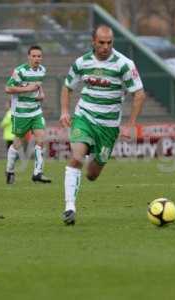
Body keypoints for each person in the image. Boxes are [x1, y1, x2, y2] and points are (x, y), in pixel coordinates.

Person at [59, 24, 146, 225]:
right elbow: (67, 87)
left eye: (109, 43)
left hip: (108, 127)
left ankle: (92, 161)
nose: (105, 47)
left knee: (92, 175)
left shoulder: (124, 64)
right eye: (101, 43)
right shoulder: (81, 62)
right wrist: (65, 111)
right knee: (77, 157)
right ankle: (69, 207)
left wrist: (131, 124)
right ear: (93, 41)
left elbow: (139, 94)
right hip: (84, 117)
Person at [4, 45, 51, 184]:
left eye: (39, 56)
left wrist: (41, 93)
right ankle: (10, 170)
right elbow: (8, 88)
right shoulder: (20, 71)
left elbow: (38, 84)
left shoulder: (42, 70)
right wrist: (27, 88)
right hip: (21, 112)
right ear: (29, 57)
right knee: (17, 143)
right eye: (34, 56)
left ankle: (37, 173)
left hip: (36, 110)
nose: (37, 58)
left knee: (41, 139)